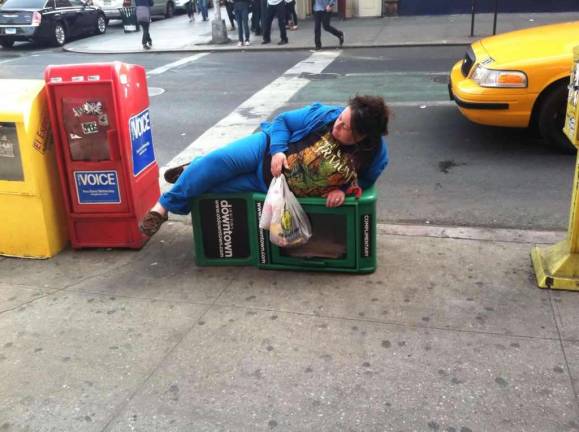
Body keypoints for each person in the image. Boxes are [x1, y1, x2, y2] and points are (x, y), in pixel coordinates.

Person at [140, 95, 390, 237]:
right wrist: (278, 151)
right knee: (215, 163)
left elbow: (364, 181)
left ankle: (192, 168)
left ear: (363, 137)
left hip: (272, 186)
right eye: (340, 119)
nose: (338, 125)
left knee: (209, 186)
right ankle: (162, 208)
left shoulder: (374, 155)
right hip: (264, 150)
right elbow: (283, 121)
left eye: (346, 128)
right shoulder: (324, 115)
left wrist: (343, 191)